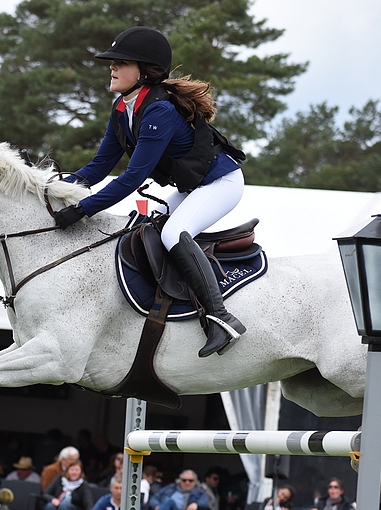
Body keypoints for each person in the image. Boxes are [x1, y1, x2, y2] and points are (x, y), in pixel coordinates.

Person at [55, 26, 247, 358]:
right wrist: (56, 187)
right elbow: (98, 167)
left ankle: (221, 318)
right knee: (143, 230)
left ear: (145, 71)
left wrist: (83, 209)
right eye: (112, 62)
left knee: (174, 233)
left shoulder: (159, 110)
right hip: (192, 186)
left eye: (120, 62)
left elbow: (132, 178)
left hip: (221, 183)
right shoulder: (121, 109)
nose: (112, 67)